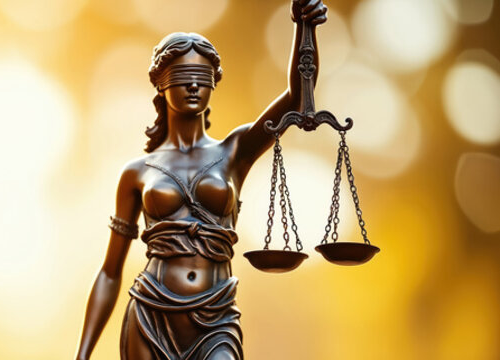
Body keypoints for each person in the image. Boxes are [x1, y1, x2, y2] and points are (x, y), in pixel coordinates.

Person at [74, 1, 328, 359]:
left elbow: (298, 98)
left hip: (216, 318)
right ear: (161, 84)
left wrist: (305, 27)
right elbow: (110, 272)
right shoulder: (137, 172)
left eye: (203, 79)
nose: (193, 86)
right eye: (181, 78)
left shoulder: (236, 150)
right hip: (149, 313)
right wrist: (82, 354)